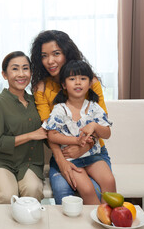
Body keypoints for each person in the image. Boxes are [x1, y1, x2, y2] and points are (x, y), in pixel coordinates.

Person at [30, 30, 111, 204]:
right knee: (63, 192)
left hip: (95, 151)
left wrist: (83, 147)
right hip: (63, 153)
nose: (50, 61)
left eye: (56, 53)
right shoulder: (42, 88)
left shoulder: (90, 82)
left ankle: (106, 225)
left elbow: (100, 122)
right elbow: (48, 129)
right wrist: (62, 161)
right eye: (44, 56)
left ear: (67, 53)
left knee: (99, 189)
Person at [42, 60, 116, 204]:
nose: (77, 83)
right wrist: (76, 141)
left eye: (83, 79)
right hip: (71, 160)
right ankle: (96, 218)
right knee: (87, 189)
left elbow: (107, 133)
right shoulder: (60, 109)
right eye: (72, 79)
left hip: (93, 156)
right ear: (64, 84)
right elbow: (52, 135)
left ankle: (108, 217)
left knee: (109, 180)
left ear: (89, 84)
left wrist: (94, 126)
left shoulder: (94, 107)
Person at [0, 51, 48, 204]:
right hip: (0, 162)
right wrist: (31, 135)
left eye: (25, 68)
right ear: (4, 75)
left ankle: (28, 226)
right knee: (7, 196)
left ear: (31, 73)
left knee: (33, 190)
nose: (21, 74)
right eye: (15, 69)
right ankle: (4, 228)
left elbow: (47, 133)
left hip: (30, 163)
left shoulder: (36, 102)